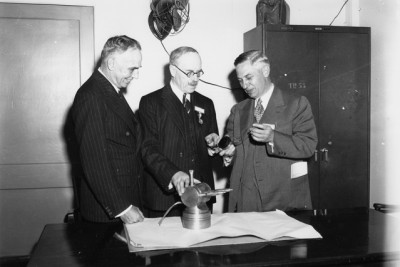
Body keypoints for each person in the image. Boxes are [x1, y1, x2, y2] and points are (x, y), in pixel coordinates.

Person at [215, 50, 318, 213]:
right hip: (246, 200)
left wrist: (273, 137)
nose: (244, 85)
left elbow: (308, 145)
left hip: (284, 199)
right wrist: (229, 153)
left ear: (265, 71)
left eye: (249, 78)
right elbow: (235, 147)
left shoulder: (296, 104)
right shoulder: (238, 110)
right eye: (240, 80)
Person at [138, 46, 219, 218]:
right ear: (173, 70)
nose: (195, 78)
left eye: (198, 72)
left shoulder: (206, 103)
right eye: (189, 72)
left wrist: (214, 147)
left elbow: (210, 145)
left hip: (201, 195)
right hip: (165, 199)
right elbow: (148, 149)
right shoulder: (151, 103)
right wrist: (173, 174)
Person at [72, 35, 144, 224]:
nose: (135, 75)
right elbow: (94, 161)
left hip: (122, 197)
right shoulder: (91, 96)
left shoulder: (110, 91)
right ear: (111, 63)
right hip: (108, 210)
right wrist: (123, 208)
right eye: (132, 68)